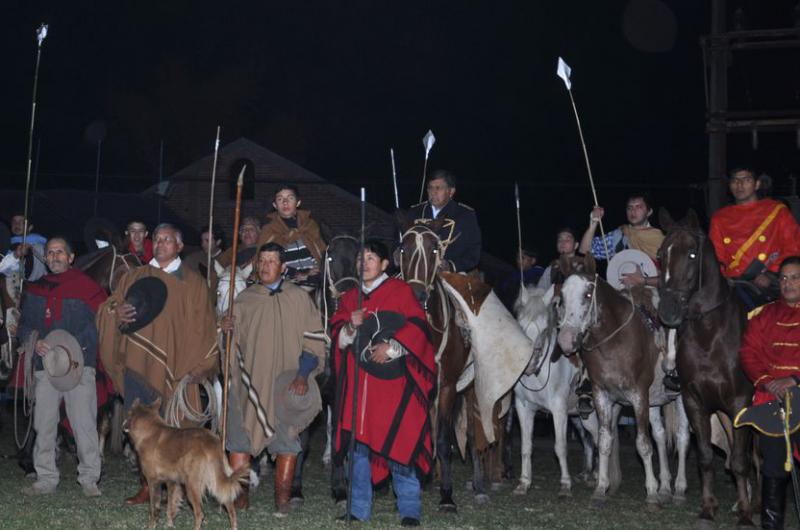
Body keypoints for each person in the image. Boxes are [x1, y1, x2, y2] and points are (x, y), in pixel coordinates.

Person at [96, 223, 220, 505]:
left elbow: (204, 327)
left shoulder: (193, 282)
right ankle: (147, 486)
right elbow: (109, 307)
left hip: (176, 367)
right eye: (158, 239)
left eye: (168, 240)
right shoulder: (135, 276)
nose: (162, 243)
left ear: (179, 246)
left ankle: (178, 489)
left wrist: (198, 366)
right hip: (137, 364)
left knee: (175, 432)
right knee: (141, 430)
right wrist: (118, 313)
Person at [332, 240, 436, 526]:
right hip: (358, 388)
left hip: (393, 388)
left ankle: (410, 510)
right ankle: (359, 509)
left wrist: (393, 347)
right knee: (359, 450)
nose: (364, 263)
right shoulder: (349, 297)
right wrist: (350, 326)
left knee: (400, 442)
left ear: (385, 264)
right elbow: (337, 341)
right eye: (360, 258)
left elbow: (419, 327)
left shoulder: (401, 292)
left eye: (371, 257)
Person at [219, 242, 326, 513]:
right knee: (240, 440)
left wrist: (303, 376)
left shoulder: (299, 298)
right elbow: (229, 346)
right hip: (247, 385)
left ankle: (282, 501)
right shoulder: (244, 299)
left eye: (271, 261)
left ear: (284, 267)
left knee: (287, 441)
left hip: (285, 384)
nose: (265, 266)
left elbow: (314, 341)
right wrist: (225, 329)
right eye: (262, 261)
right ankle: (240, 501)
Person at [17, 237, 107, 497]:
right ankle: (45, 478)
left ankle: (89, 479)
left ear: (71, 257)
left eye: (60, 252)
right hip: (46, 366)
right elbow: (24, 327)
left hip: (80, 366)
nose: (55, 256)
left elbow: (99, 326)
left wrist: (73, 347)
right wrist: (36, 340)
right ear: (45, 258)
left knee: (84, 424)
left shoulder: (88, 288)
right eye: (50, 252)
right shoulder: (34, 290)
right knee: (43, 423)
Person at [739, 255, 800, 529]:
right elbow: (749, 352)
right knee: (773, 469)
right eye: (784, 278)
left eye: (795, 277)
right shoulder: (763, 314)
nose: (788, 283)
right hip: (772, 402)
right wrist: (767, 381)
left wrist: (795, 379)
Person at [710, 167, 800, 311]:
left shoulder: (777, 211)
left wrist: (770, 275)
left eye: (746, 180)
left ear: (757, 184)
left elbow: (793, 247)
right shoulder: (719, 218)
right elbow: (716, 256)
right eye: (735, 180)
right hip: (733, 283)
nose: (739, 185)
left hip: (773, 281)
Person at [579, 193, 664, 288]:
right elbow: (585, 251)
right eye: (629, 208)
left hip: (652, 295)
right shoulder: (619, 235)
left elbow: (671, 279)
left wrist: (644, 281)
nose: (633, 211)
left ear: (649, 212)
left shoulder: (661, 239)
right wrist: (593, 222)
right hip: (622, 295)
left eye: (638, 207)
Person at [408, 170, 481, 273]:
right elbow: (401, 242)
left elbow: (473, 253)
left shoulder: (464, 215)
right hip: (417, 272)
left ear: (451, 191)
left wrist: (451, 266)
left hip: (451, 274)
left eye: (438, 188)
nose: (433, 192)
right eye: (430, 188)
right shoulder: (415, 212)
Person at [256, 184, 327, 288]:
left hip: (315, 279)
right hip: (284, 281)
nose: (285, 202)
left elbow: (321, 253)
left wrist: (317, 269)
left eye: (290, 198)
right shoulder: (269, 230)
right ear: (275, 205)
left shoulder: (310, 225)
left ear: (298, 203)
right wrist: (298, 274)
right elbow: (265, 262)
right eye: (280, 199)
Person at [0, 214, 48, 283]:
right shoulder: (7, 243)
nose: (17, 224)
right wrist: (15, 255)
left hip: (39, 280)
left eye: (21, 222)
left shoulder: (40, 242)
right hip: (16, 281)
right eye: (14, 222)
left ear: (30, 227)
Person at [182, 224, 225, 291]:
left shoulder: (227, 261)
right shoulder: (192, 259)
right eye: (202, 240)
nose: (203, 244)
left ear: (218, 242)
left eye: (207, 241)